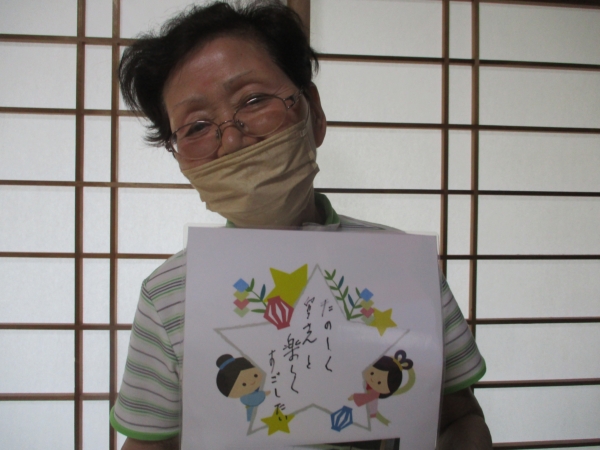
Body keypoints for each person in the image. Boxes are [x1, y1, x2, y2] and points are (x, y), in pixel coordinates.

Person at [110, 1, 493, 449]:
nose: (231, 140)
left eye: (254, 101)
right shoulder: (168, 294)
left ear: (313, 111)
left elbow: (459, 418)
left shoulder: (404, 266)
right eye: (195, 127)